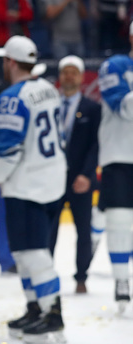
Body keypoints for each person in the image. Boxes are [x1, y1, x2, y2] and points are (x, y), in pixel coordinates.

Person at [0, 35, 67, 344]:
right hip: (53, 180)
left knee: (33, 253)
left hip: (26, 184)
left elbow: (9, 149)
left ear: (9, 62)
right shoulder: (49, 89)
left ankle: (52, 313)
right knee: (26, 251)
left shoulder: (12, 97)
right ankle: (36, 308)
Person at [48, 55, 100, 294]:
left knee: (83, 230)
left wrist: (87, 175)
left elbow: (95, 145)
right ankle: (46, 274)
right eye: (65, 72)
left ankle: (81, 277)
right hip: (53, 180)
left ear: (81, 77)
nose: (68, 76)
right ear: (60, 76)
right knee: (49, 229)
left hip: (80, 179)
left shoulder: (92, 108)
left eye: (73, 72)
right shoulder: (49, 106)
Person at [97, 22, 133, 313]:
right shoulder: (115, 66)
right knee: (120, 222)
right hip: (119, 156)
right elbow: (126, 107)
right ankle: (122, 281)